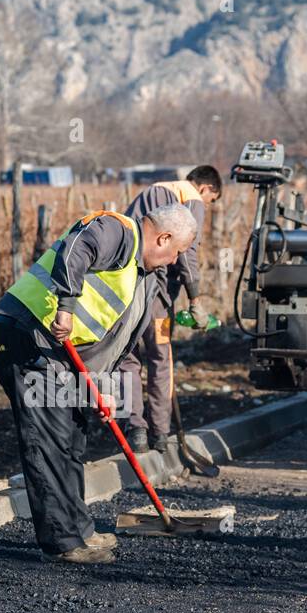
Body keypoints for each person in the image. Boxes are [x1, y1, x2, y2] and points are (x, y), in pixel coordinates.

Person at [0, 203, 197, 564]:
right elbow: (75, 249)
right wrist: (65, 307)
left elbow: (115, 343)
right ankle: (63, 542)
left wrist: (100, 390)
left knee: (72, 437)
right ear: (162, 237)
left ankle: (80, 528)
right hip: (29, 335)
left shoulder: (144, 277)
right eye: (175, 252)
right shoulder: (117, 231)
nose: (171, 261)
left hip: (65, 356)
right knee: (49, 439)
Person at [118, 166, 222, 452]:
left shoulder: (151, 191)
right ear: (205, 189)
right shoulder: (191, 199)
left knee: (127, 358)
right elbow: (187, 253)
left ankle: (135, 430)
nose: (207, 206)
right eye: (212, 200)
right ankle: (161, 434)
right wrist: (195, 299)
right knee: (160, 358)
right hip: (157, 299)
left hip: (125, 293)